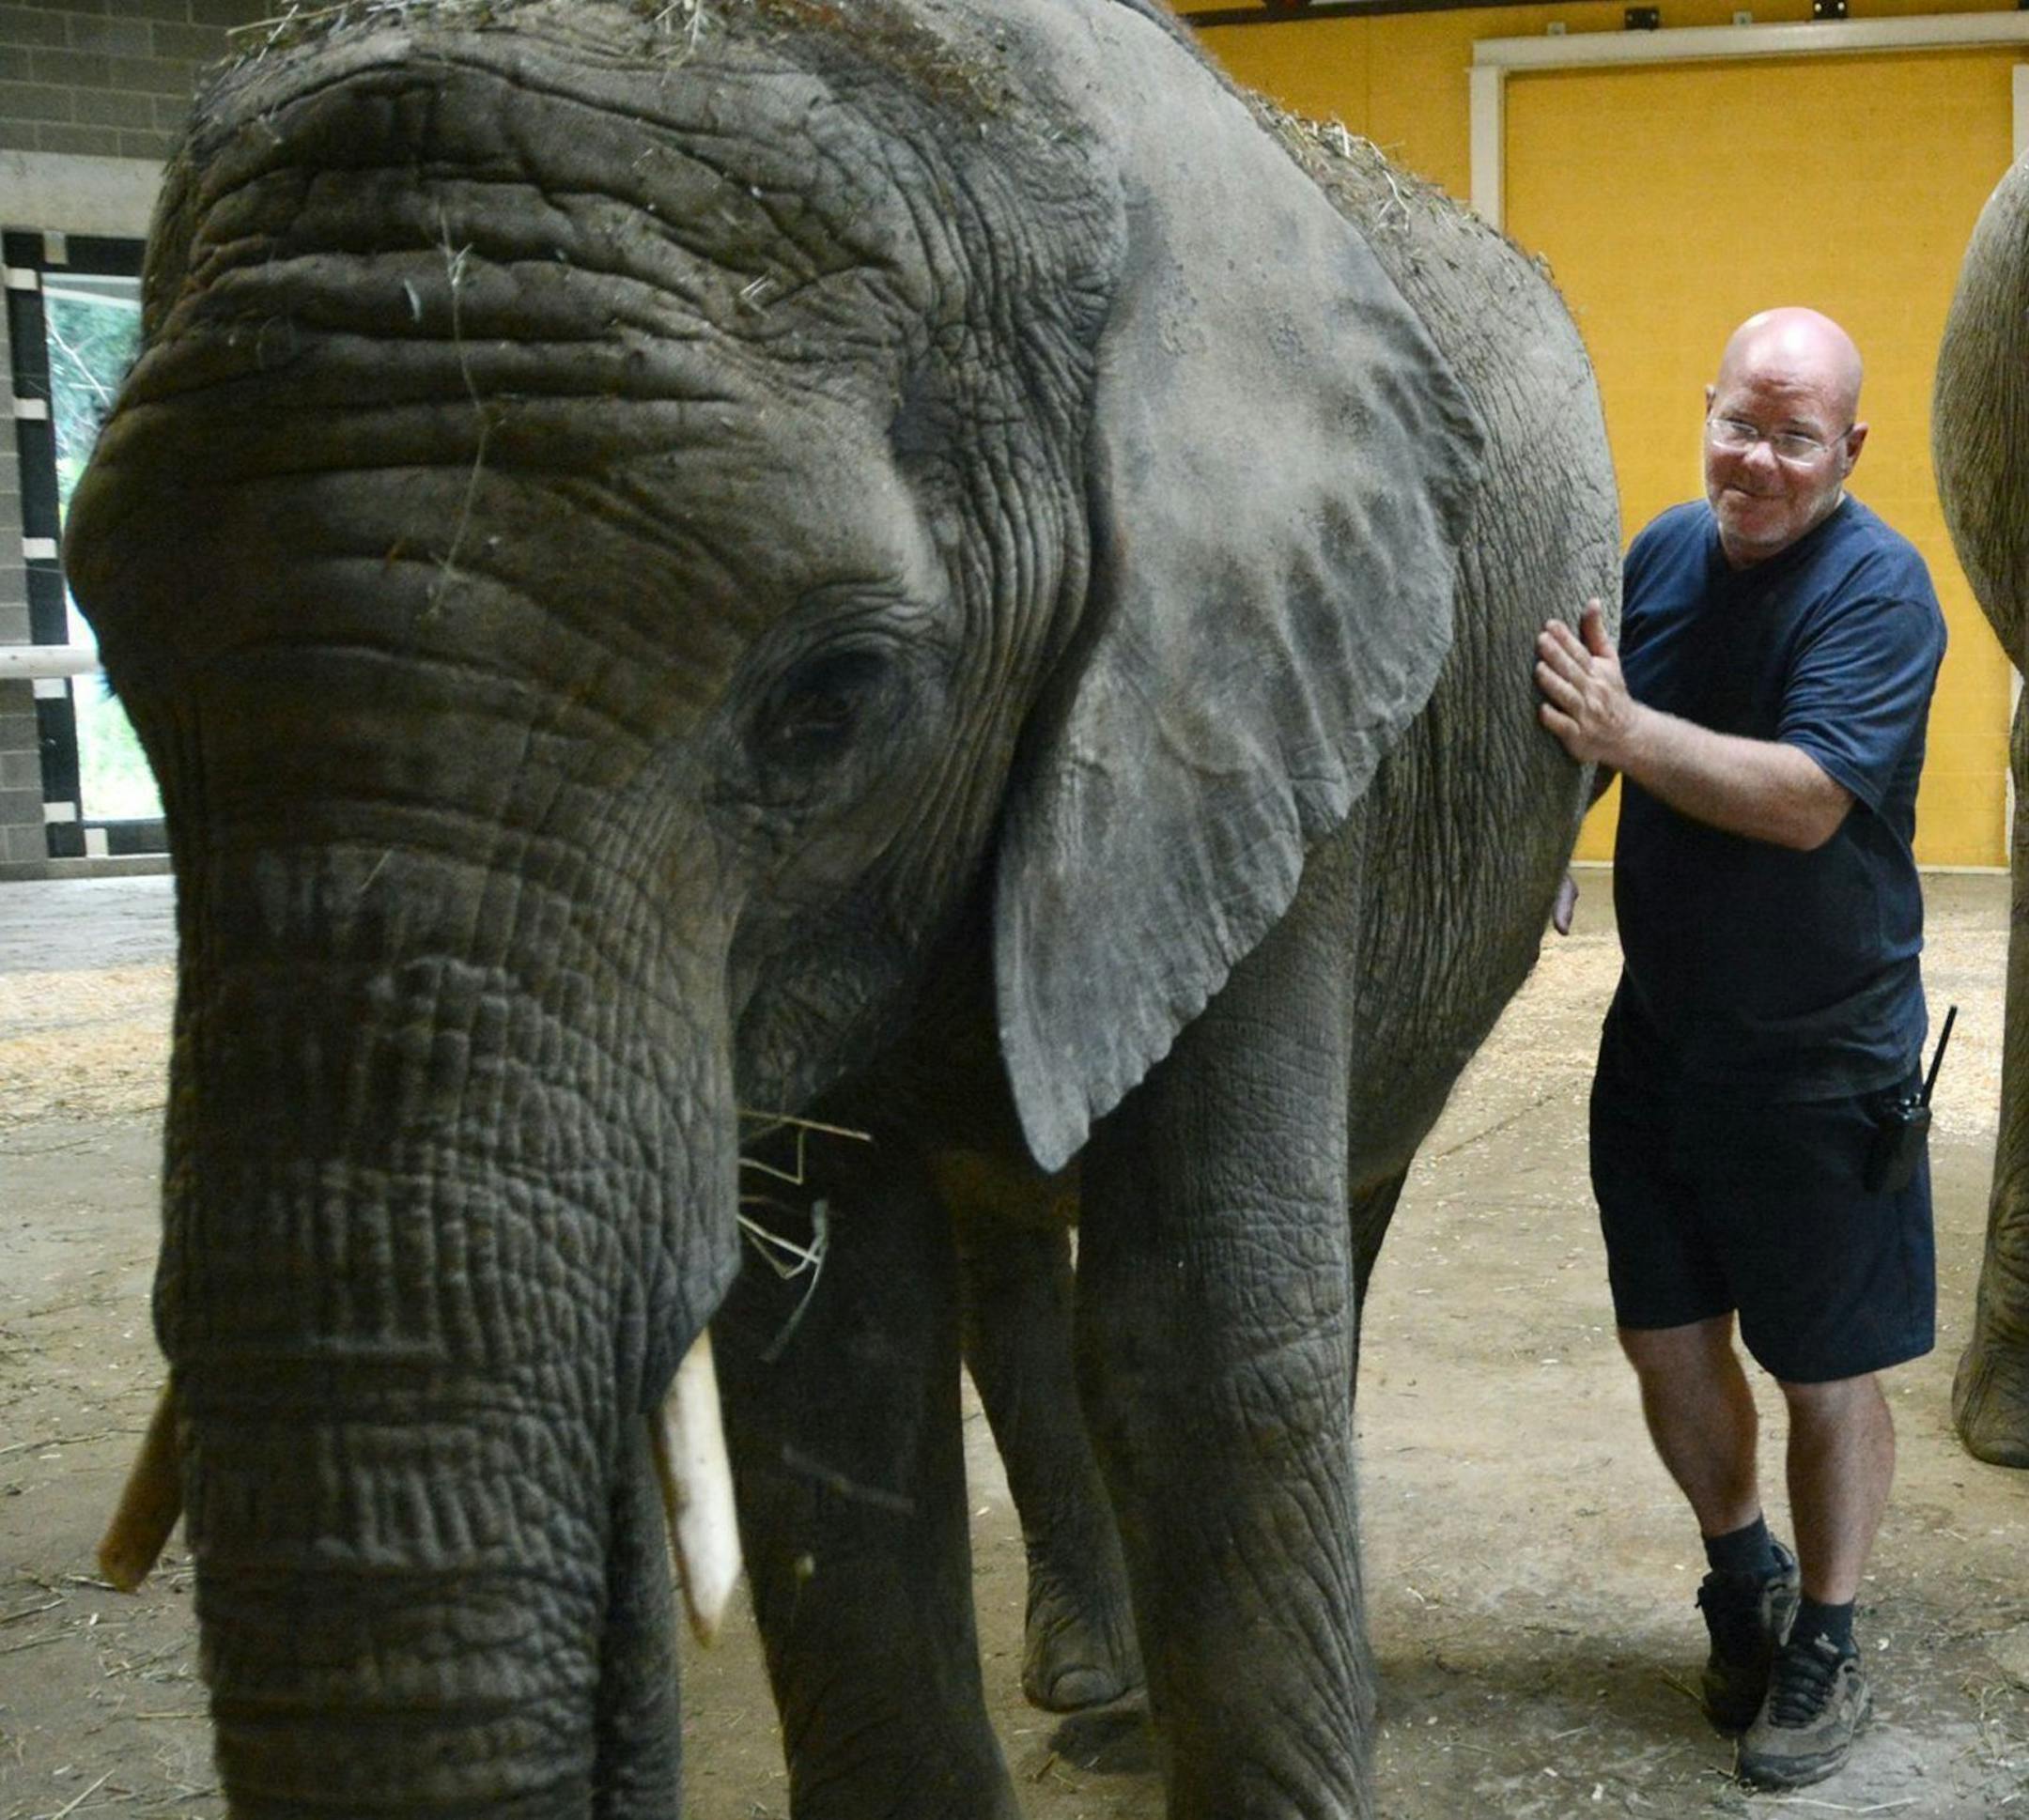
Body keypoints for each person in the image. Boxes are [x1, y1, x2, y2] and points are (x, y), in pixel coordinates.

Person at [1533, 307, 1947, 1791]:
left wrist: (1621, 738)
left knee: (1823, 1368)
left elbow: (1804, 796)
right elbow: (1594, 742)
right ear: (1705, 408)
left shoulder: (1880, 593)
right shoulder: (1659, 555)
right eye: (1738, 424)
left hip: (1819, 1055)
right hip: (1665, 1040)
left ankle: (1825, 1632)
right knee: (1665, 1334)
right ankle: (1740, 1573)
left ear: (1849, 447)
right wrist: (1557, 837)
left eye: (1791, 436)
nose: (1755, 461)